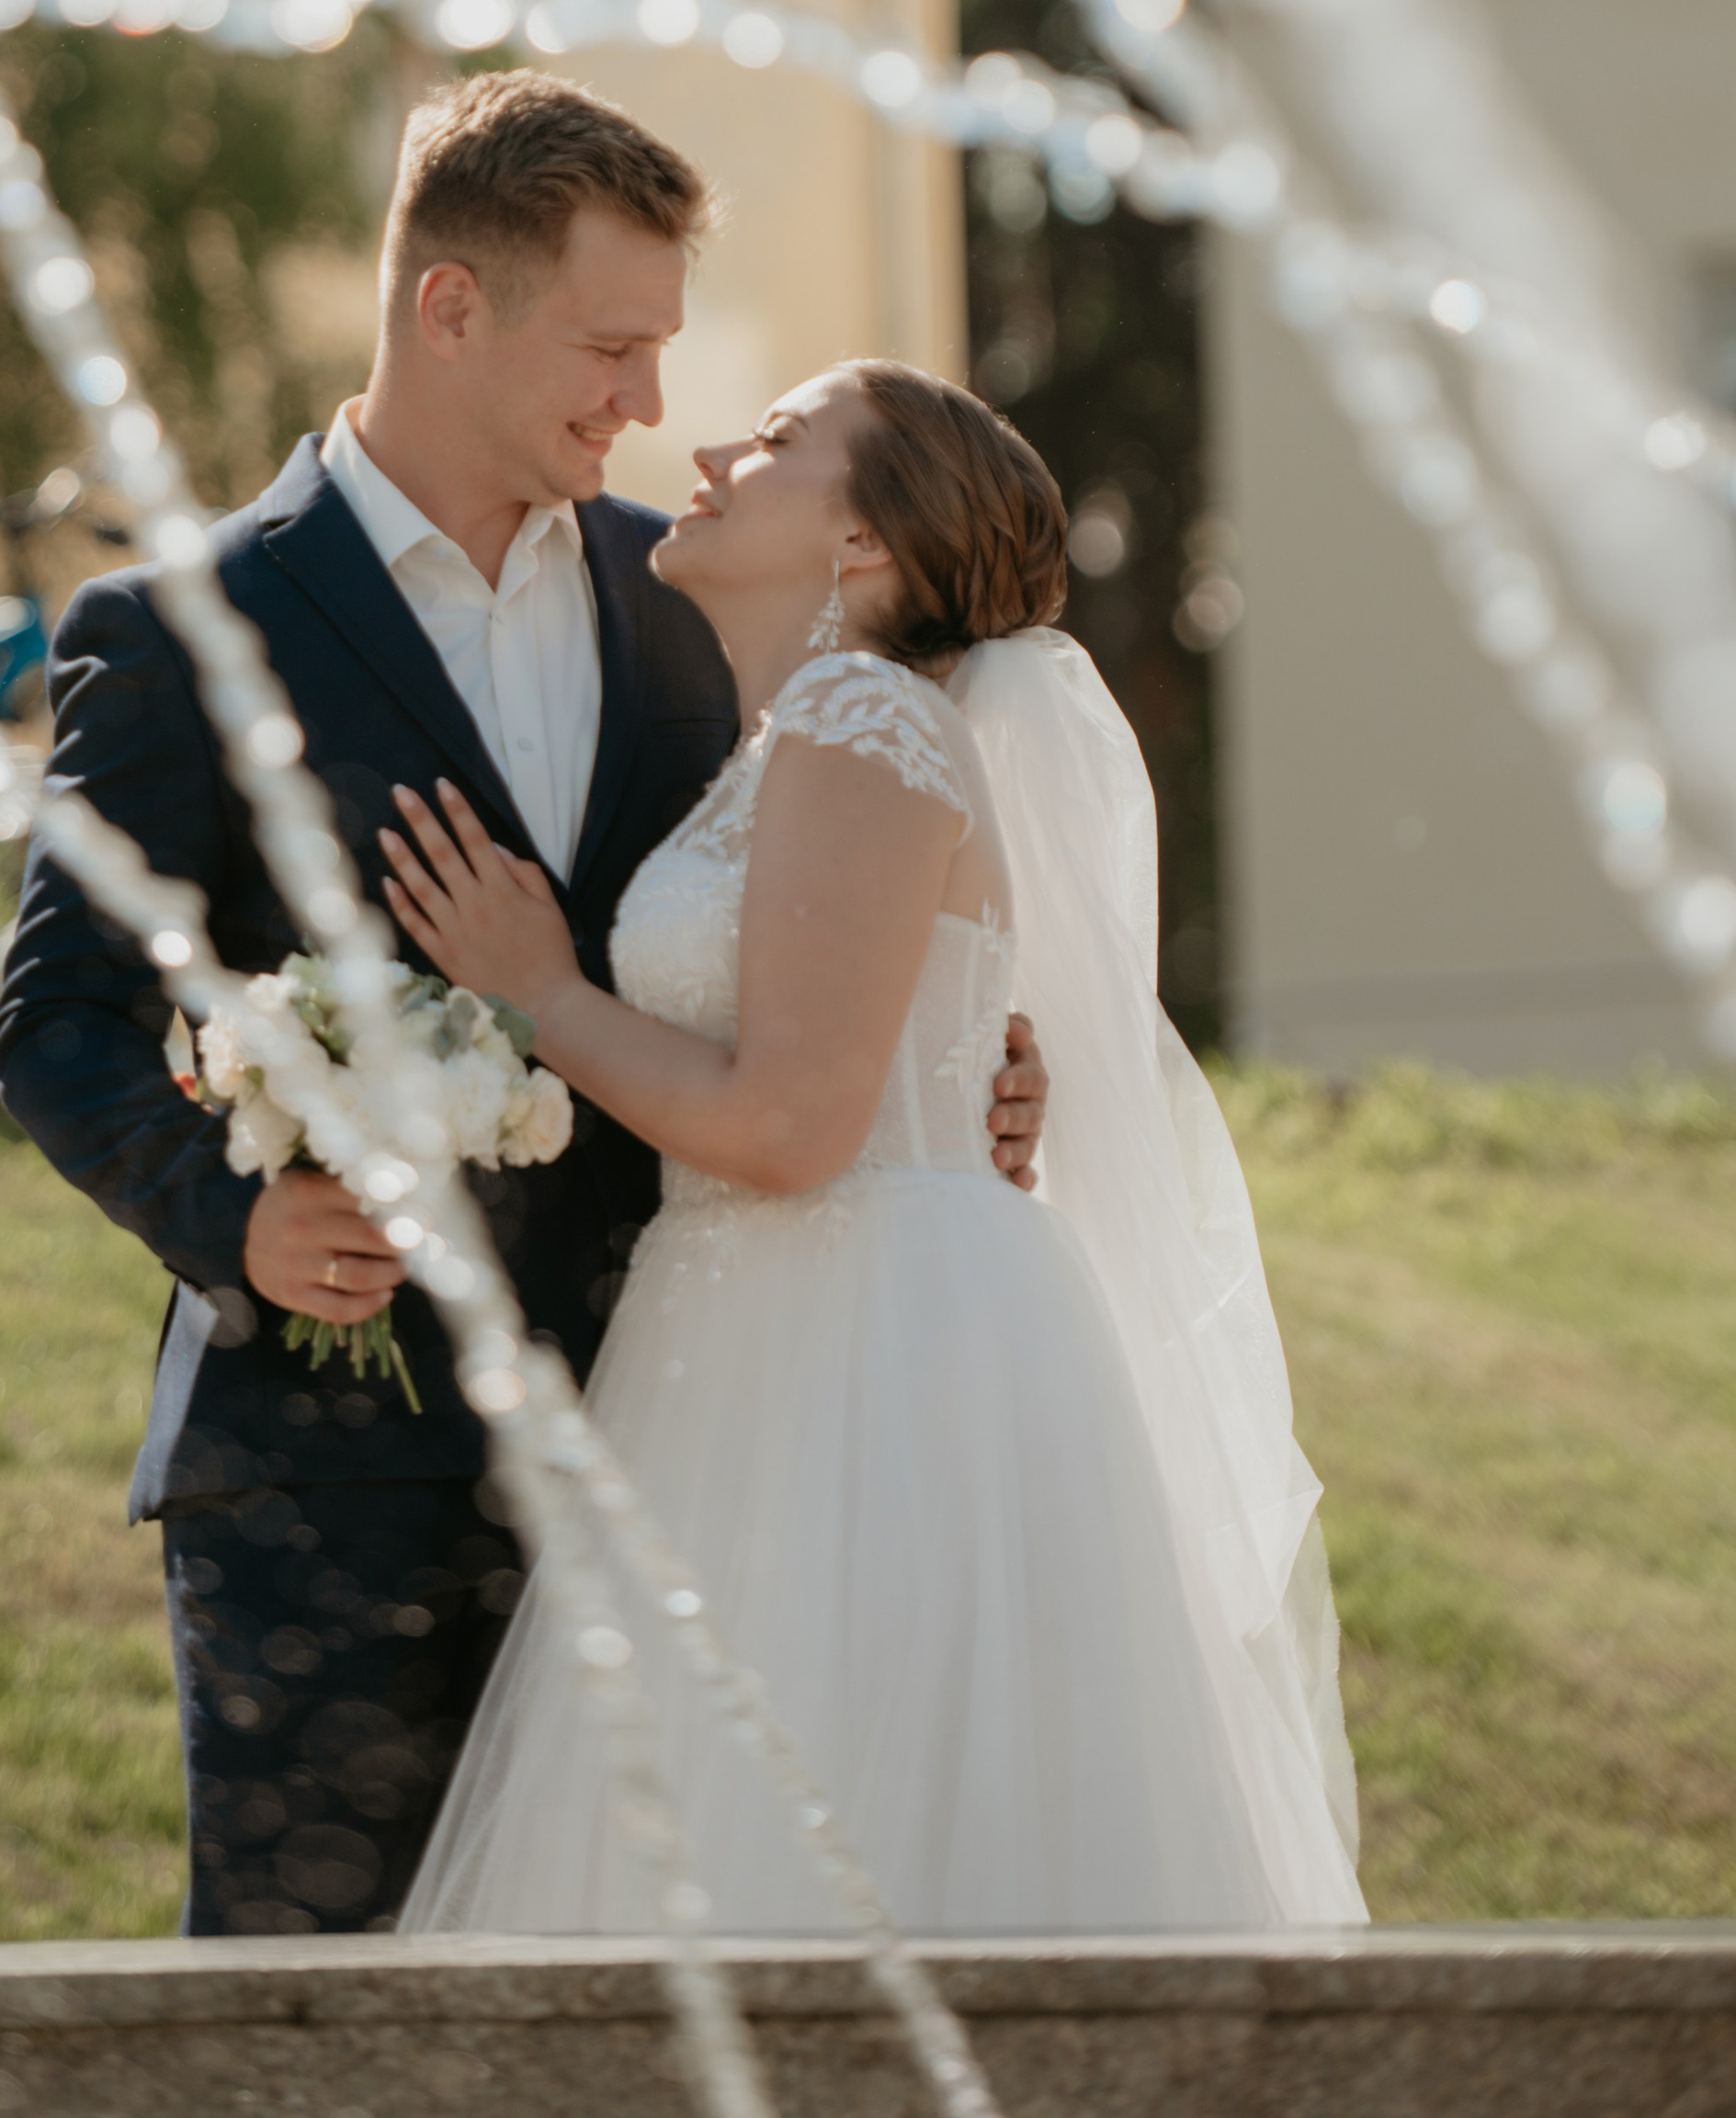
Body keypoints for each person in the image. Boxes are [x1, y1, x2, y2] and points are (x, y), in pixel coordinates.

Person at [0, 75, 1051, 1935]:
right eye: (610, 346)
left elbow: (805, 908)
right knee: (325, 2040)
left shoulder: (696, 603)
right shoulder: (178, 631)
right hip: (331, 1487)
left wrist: (945, 1053)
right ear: (449, 306)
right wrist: (232, 1213)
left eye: (659, 352)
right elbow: (55, 1017)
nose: (646, 404)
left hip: (689, 1455)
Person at [386, 363, 1366, 1933]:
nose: (707, 448)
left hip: (866, 1354)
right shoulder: (795, 739)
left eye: (775, 442)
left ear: (863, 545)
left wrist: (540, 991)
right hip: (775, 1324)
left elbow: (786, 1126)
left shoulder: (861, 719)